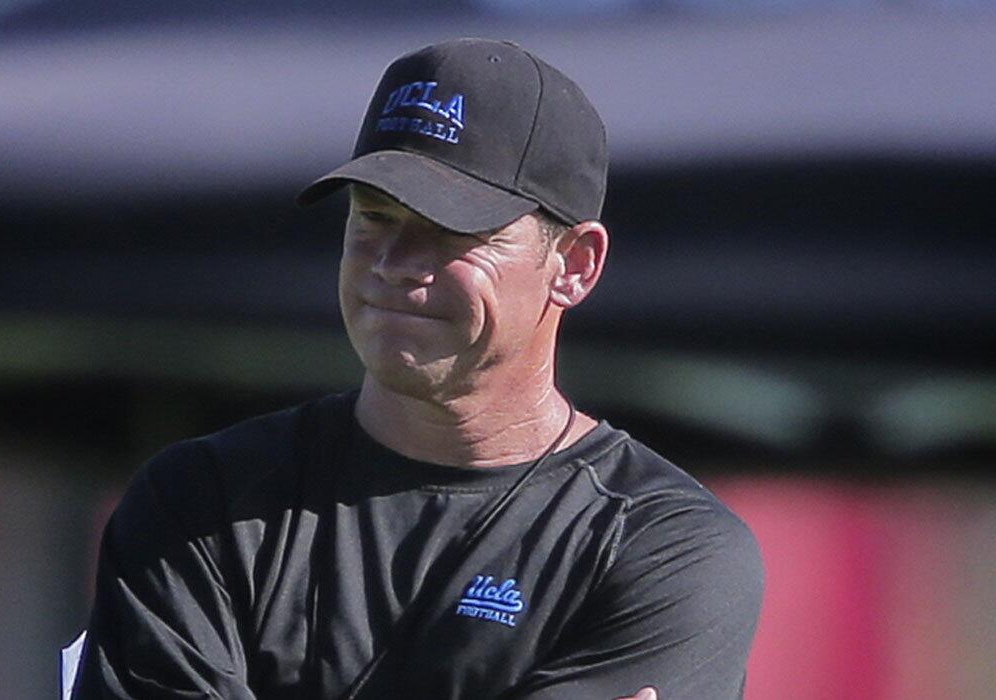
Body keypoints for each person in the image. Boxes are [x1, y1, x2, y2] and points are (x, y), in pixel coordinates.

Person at [70, 38, 763, 699]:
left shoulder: (659, 547)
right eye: (372, 217)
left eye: (452, 228)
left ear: (574, 266)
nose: (393, 263)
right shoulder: (202, 501)